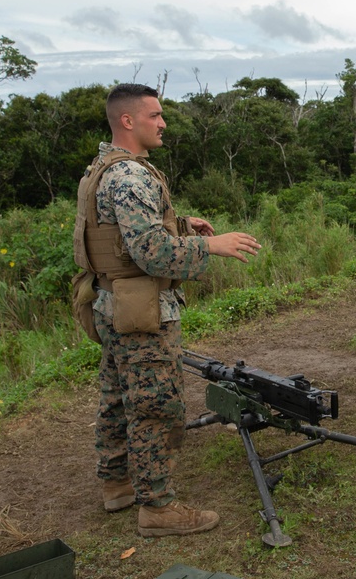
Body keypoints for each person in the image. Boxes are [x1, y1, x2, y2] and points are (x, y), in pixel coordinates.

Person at [77, 83, 261, 537]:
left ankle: (117, 484)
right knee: (157, 405)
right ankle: (157, 507)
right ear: (128, 121)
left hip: (111, 302)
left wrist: (182, 225)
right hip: (141, 310)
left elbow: (120, 236)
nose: (163, 123)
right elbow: (151, 253)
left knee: (119, 396)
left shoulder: (104, 168)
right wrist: (209, 245)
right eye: (155, 115)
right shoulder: (131, 176)